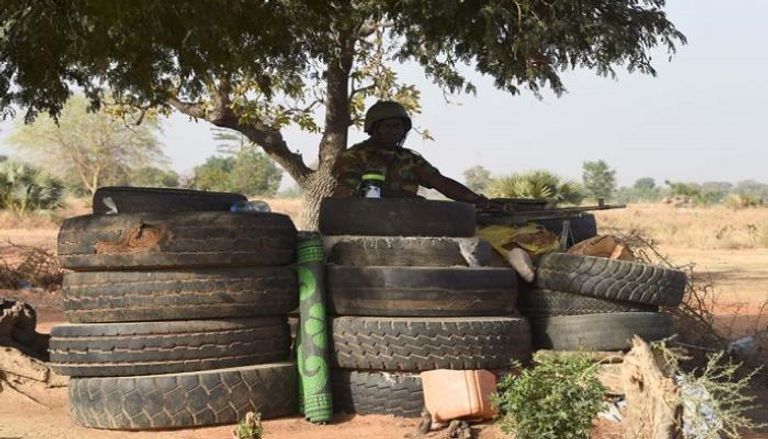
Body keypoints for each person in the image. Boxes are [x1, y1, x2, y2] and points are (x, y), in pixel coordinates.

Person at [333, 100, 550, 279]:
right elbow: (347, 193)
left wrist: (478, 200)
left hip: (409, 222)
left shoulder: (409, 159)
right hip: (370, 223)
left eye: (398, 126)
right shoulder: (354, 157)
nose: (394, 131)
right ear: (374, 128)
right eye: (387, 126)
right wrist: (400, 198)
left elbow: (441, 183)